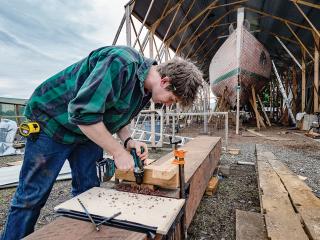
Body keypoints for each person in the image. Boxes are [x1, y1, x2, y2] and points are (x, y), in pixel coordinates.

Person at [1, 45, 203, 240]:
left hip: (86, 131)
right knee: (32, 196)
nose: (168, 104)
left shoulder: (145, 90)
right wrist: (117, 152)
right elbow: (83, 113)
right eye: (172, 99)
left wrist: (128, 140)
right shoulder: (120, 62)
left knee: (89, 192)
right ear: (165, 81)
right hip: (52, 122)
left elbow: (117, 116)